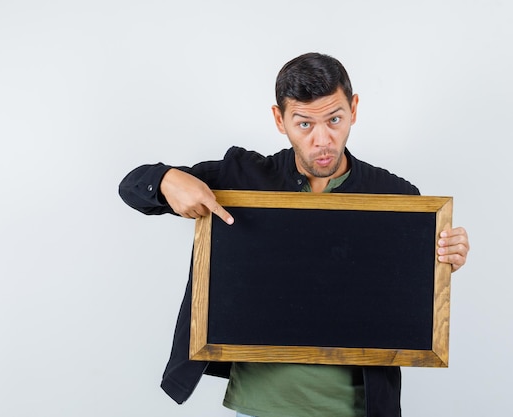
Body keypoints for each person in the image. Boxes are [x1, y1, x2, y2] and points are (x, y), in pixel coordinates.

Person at [119, 52, 469, 417]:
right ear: (279, 119)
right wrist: (164, 179)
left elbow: (408, 301)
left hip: (356, 409)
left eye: (335, 119)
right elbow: (131, 187)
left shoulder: (396, 197)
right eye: (304, 124)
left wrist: (440, 263)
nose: (323, 140)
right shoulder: (243, 177)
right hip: (260, 407)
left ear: (354, 109)